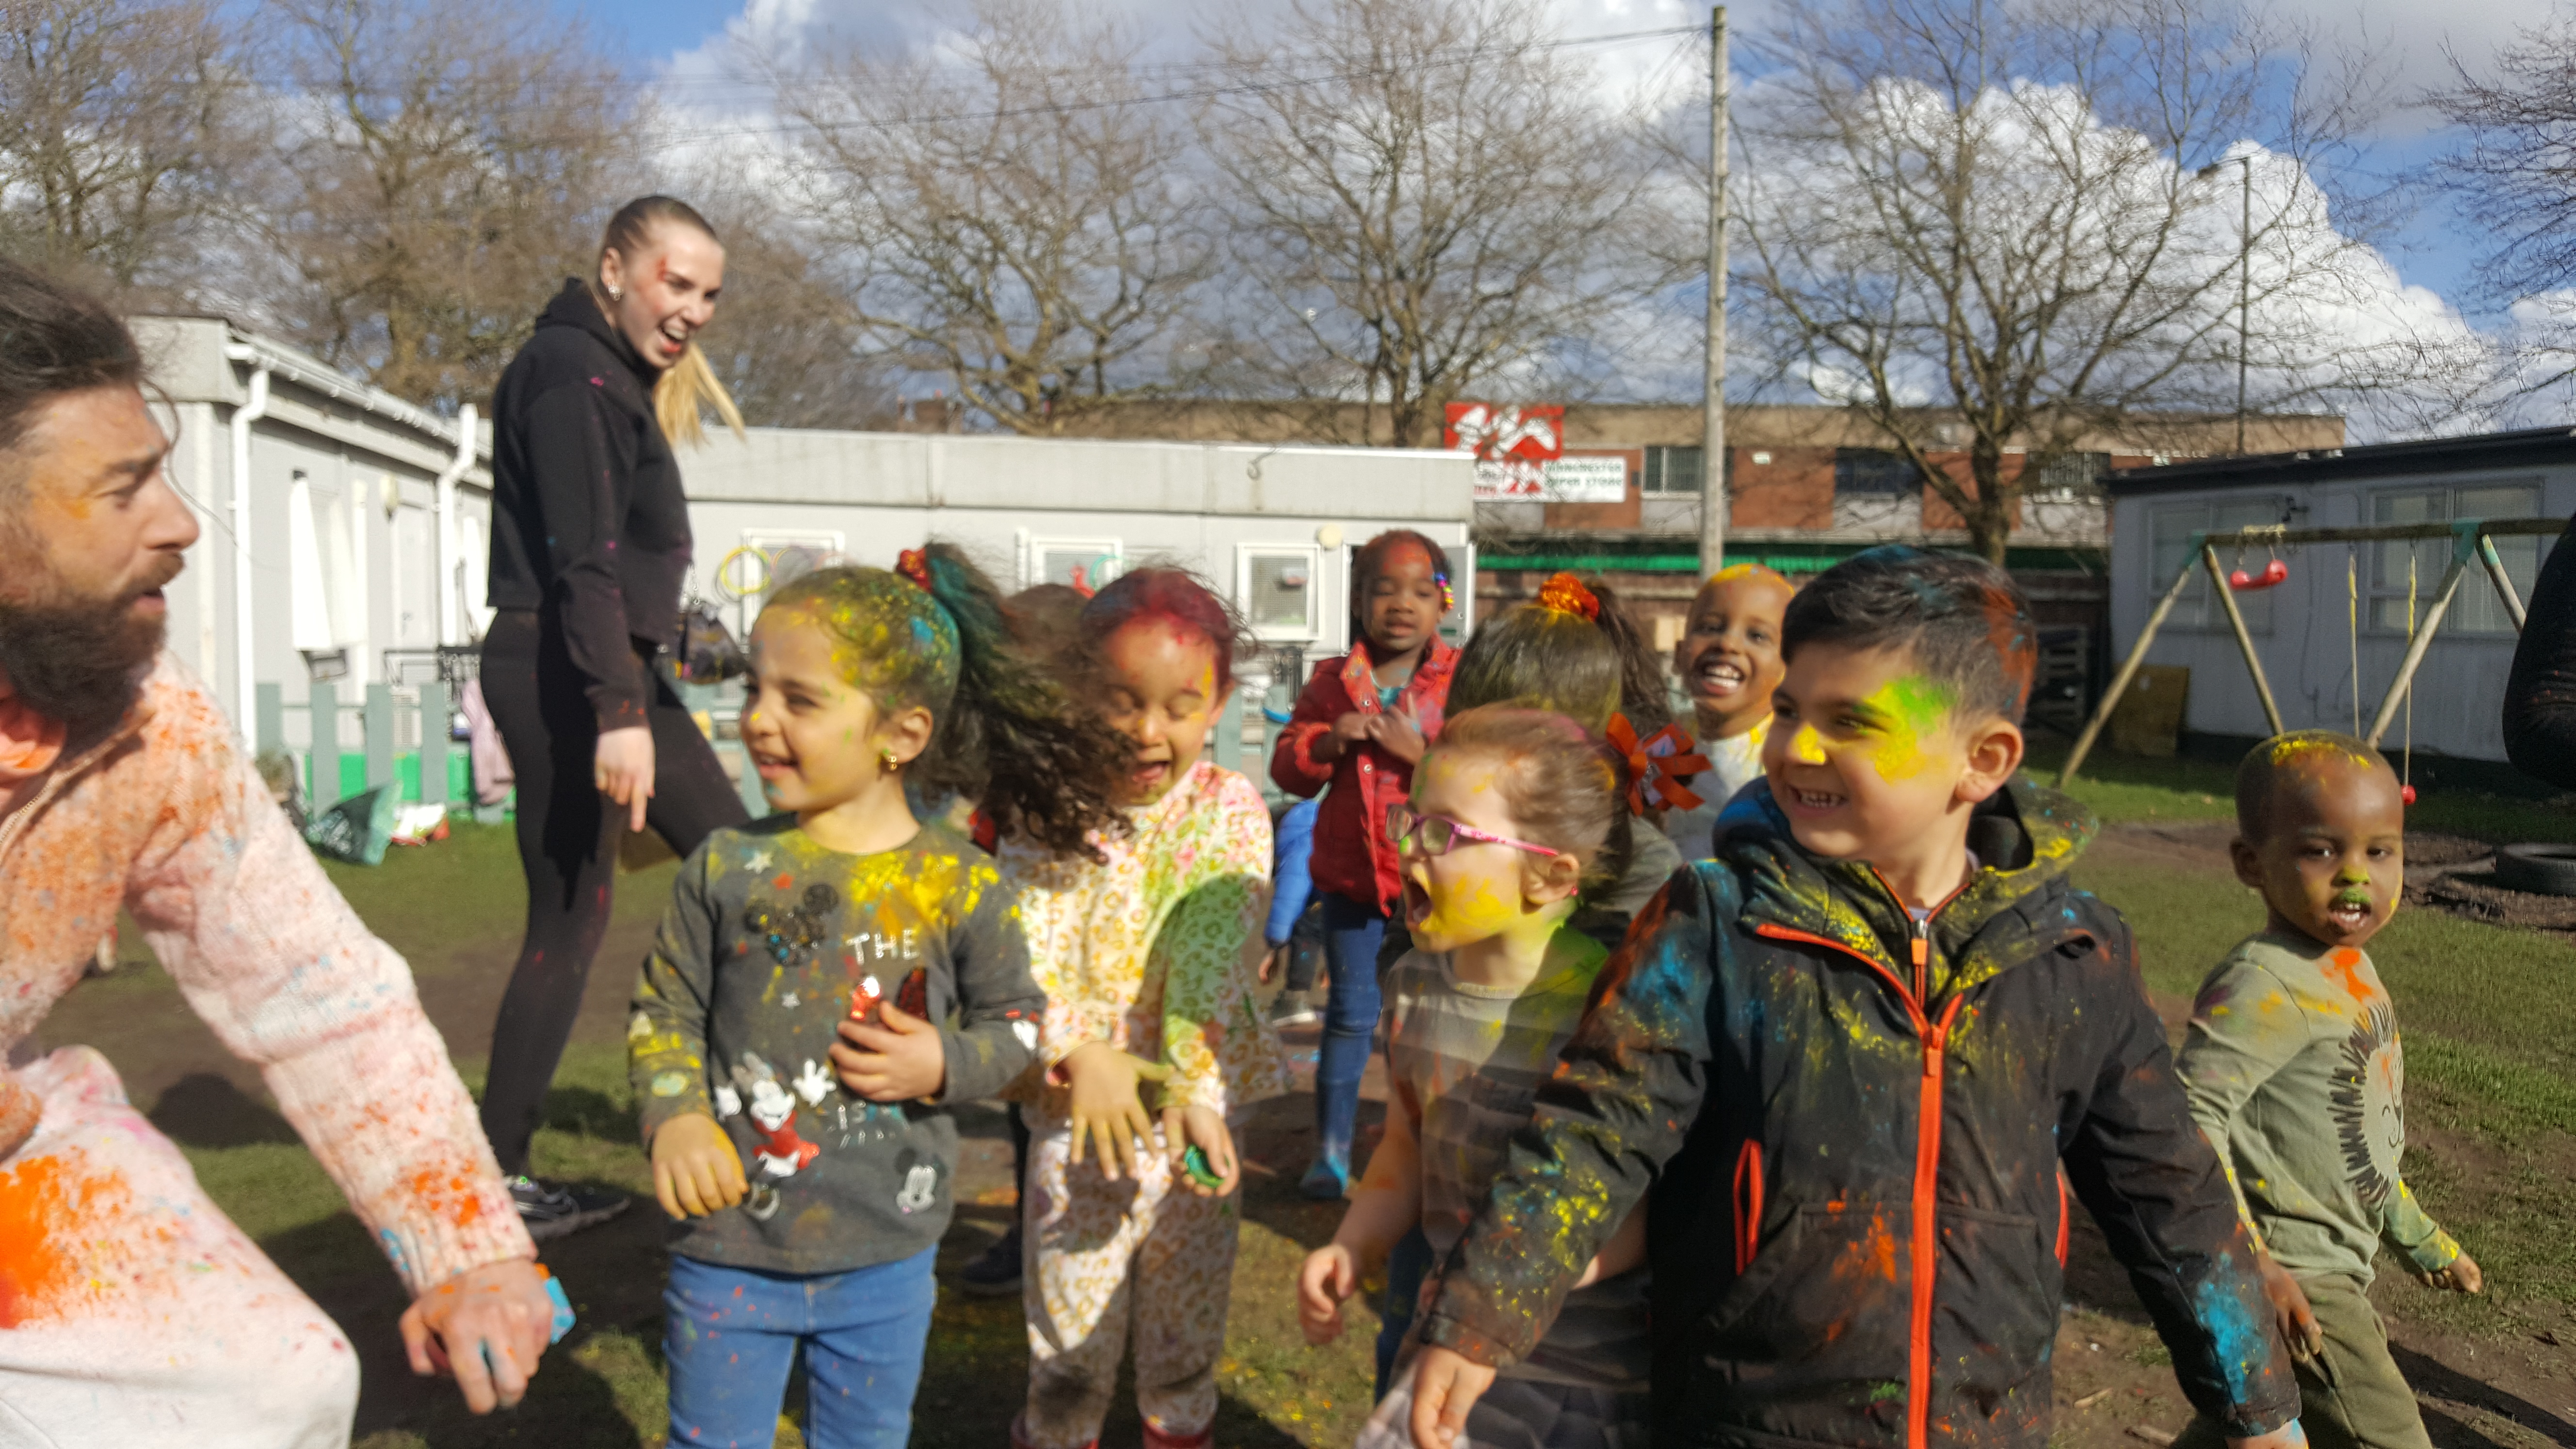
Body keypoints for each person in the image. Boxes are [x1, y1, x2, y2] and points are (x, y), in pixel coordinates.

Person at [1402, 546, 2306, 1449]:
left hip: (1983, 1425)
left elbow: (2169, 1194)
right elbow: (1593, 1132)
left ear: (1981, 759)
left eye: (1852, 722)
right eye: (1790, 708)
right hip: (1746, 1420)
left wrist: (2258, 1401)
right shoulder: (1715, 922)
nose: (1795, 746)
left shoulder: (2075, 953)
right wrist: (1482, 1310)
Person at [0, 259, 555, 1440]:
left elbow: (318, 989)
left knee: (275, 1380)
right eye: (123, 486)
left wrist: (462, 1244)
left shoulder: (150, 719)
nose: (183, 520)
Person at [630, 545, 1130, 1448]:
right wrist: (677, 1117)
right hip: (727, 1249)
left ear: (902, 734)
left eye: (800, 699)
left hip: (887, 1256)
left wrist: (945, 1060)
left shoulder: (962, 883)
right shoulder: (725, 864)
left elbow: (1018, 1024)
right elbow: (665, 1008)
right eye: (755, 688)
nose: (757, 720)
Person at [480, 195, 755, 1239]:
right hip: (570, 671)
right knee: (587, 917)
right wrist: (617, 709)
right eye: (672, 283)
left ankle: (498, 1168)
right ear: (613, 269)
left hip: (592, 666)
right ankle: (495, 1175)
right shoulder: (576, 374)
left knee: (729, 872)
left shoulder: (599, 373)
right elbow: (583, 561)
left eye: (708, 294)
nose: (690, 310)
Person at [1300, 706, 1651, 1449]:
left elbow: (1640, 1218)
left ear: (1549, 875)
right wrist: (1353, 1244)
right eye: (1410, 820)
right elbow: (1406, 1151)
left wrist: (1498, 1294)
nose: (1410, 849)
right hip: (1446, 1344)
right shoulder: (1414, 988)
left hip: (1572, 1378)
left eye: (1446, 834)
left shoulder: (1613, 1013)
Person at [1005, 568, 1291, 1449]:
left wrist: (1195, 1092)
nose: (1146, 731)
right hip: (1076, 1119)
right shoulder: (1045, 814)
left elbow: (1210, 957)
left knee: (1182, 1337)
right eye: (1120, 701)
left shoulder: (1227, 811)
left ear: (1220, 702)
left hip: (1188, 1122)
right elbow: (1024, 954)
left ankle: (1180, 1427)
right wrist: (1076, 1051)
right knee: (1067, 1342)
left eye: (1177, 705)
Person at [2170, 733, 2482, 1449]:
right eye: (2321, 851)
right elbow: (2189, 1122)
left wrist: (2423, 1241)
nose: (2355, 878)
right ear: (2252, 863)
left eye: (2380, 852)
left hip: (2329, 1266)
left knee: (2242, 1426)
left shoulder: (2349, 968)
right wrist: (2253, 1264)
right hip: (2300, 1279)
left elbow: (2362, 1140)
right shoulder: (2264, 983)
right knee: (2392, 1437)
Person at [1272, 530, 1460, 1198]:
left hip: (1441, 887)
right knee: (1351, 1016)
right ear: (1358, 600)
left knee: (1438, 1021)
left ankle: (1431, 1151)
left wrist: (1424, 756)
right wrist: (1326, 741)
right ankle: (1330, 1153)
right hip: (1355, 883)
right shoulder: (1333, 683)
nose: (1401, 605)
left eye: (1419, 591)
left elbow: (1490, 776)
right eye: (1384, 589)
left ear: (1445, 603)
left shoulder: (1462, 682)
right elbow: (1287, 770)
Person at [958, 580, 1100, 1300]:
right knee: (1029, 1099)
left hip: (1096, 967)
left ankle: (1091, 1236)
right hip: (1024, 956)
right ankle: (1032, 1237)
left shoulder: (1102, 751)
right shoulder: (1007, 744)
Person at [1662, 564, 1794, 860]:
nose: (1727, 644)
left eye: (1758, 636)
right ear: (1680, 654)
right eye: (1710, 627)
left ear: (1788, 669)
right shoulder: (1662, 744)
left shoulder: (1789, 759)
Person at [1264, 796, 1325, 1026]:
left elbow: (1290, 894)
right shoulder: (1317, 826)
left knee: (1306, 927)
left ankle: (1294, 998)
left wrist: (1275, 944)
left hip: (1333, 897)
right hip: (1351, 894)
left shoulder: (1298, 839)